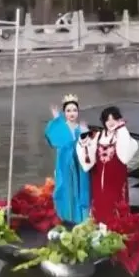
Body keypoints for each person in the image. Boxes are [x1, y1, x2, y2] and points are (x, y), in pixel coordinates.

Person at [78, 106, 139, 222]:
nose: (111, 122)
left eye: (114, 119)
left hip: (116, 180)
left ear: (119, 120)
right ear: (103, 121)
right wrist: (84, 141)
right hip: (98, 179)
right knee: (99, 205)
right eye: (107, 119)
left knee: (116, 207)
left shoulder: (122, 135)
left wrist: (122, 129)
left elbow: (125, 157)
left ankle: (117, 229)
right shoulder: (97, 136)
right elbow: (88, 158)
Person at [44, 94, 91, 225]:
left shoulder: (82, 128)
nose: (72, 113)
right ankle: (65, 217)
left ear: (78, 112)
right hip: (64, 164)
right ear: (64, 112)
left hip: (79, 165)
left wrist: (85, 134)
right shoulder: (60, 127)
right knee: (64, 188)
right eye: (68, 110)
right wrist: (57, 120)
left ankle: (81, 218)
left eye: (74, 110)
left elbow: (88, 149)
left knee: (80, 189)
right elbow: (52, 138)